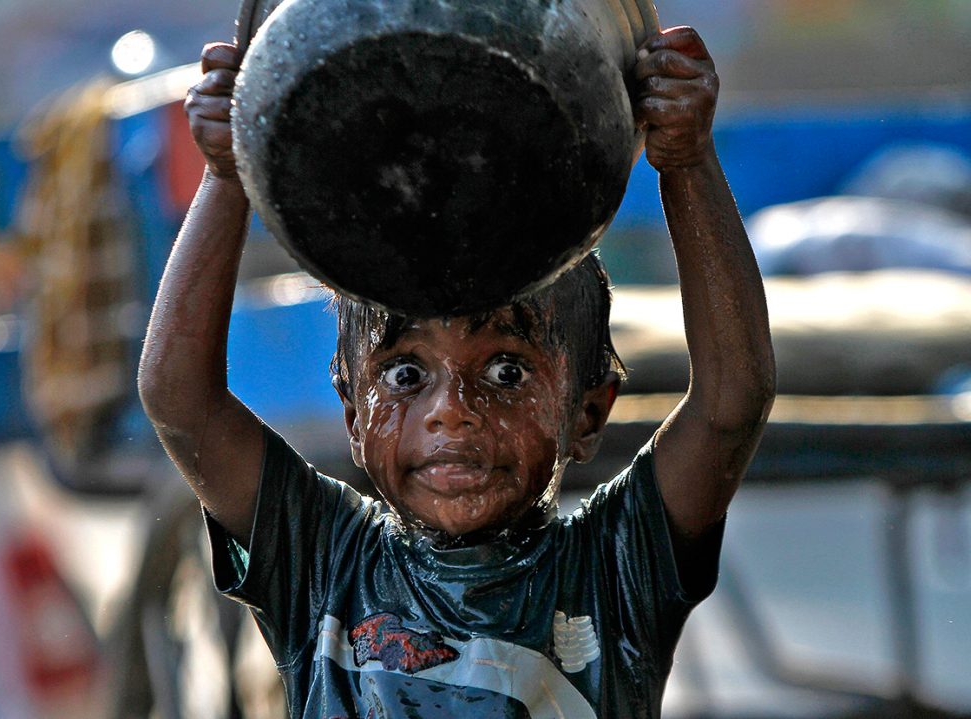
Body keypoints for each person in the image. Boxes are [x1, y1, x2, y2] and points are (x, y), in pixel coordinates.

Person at [138, 25, 776, 718]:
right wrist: (227, 174)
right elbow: (179, 399)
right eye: (406, 375)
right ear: (353, 415)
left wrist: (686, 160)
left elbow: (729, 404)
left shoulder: (615, 566)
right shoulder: (323, 558)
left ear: (587, 412)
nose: (452, 410)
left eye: (506, 371)